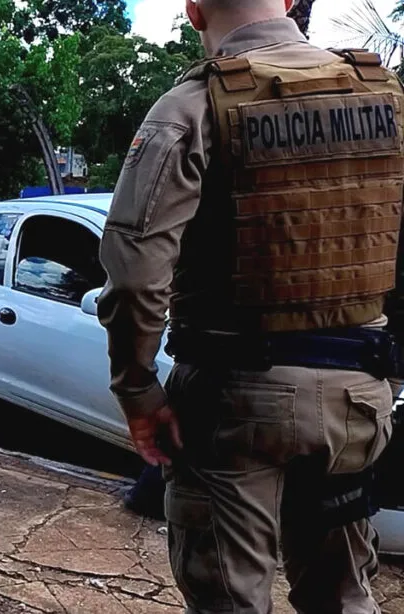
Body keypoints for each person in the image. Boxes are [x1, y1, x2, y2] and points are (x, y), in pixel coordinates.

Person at [97, 1, 404, 611]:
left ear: (191, 10)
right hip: (356, 399)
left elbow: (135, 276)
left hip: (233, 404)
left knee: (230, 601)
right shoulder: (386, 96)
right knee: (343, 596)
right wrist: (387, 371)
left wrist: (138, 391)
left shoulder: (188, 109)